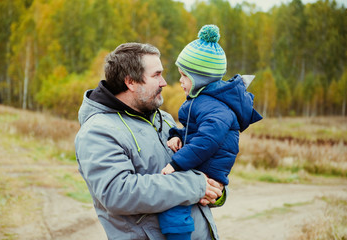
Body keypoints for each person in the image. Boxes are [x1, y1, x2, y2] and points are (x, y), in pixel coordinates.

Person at [74, 42, 225, 240]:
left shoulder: (164, 119)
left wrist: (216, 189)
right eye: (156, 75)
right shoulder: (97, 131)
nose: (164, 82)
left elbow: (197, 165)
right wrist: (195, 186)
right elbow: (117, 192)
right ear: (130, 82)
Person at [158, 25, 263, 240]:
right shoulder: (207, 103)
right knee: (177, 205)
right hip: (204, 165)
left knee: (175, 206)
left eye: (184, 76)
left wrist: (176, 164)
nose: (180, 81)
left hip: (207, 168)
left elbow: (207, 140)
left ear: (199, 79)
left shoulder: (214, 106)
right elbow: (193, 132)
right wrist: (176, 135)